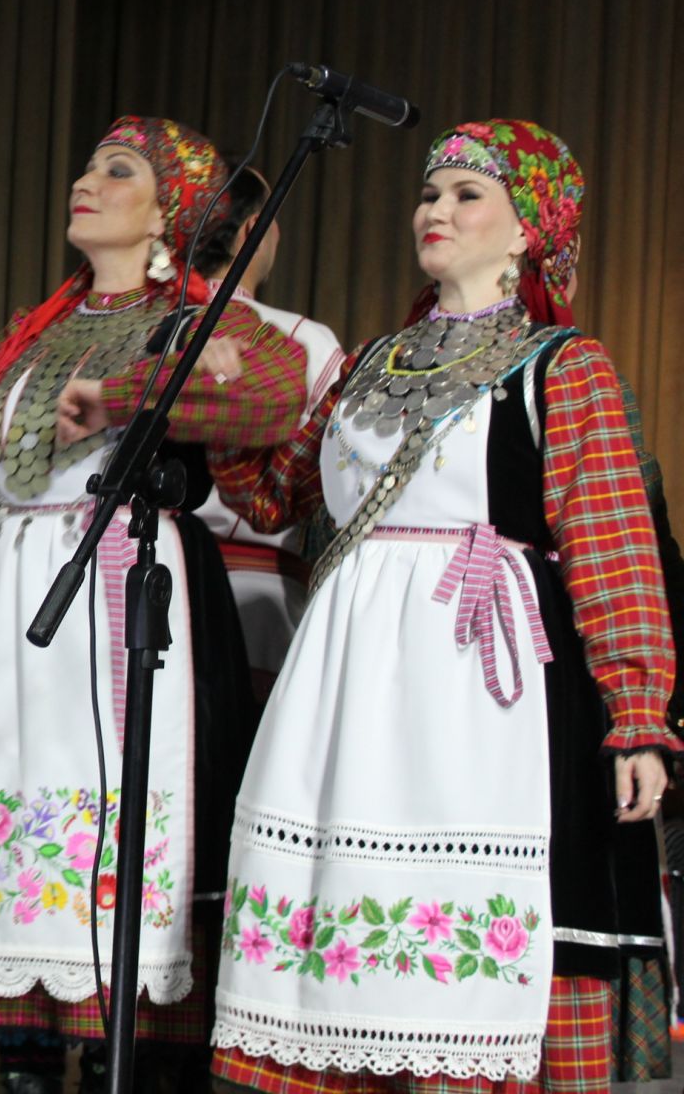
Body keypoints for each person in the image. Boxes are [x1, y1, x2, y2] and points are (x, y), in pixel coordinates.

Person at [206, 119, 678, 1092]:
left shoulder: (561, 366)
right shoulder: (374, 359)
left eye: (468, 194)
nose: (437, 208)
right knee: (342, 914)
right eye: (431, 192)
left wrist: (637, 714)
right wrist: (219, 392)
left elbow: (614, 548)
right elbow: (274, 496)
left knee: (458, 926)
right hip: (347, 675)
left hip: (479, 683)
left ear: (527, 232)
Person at [0, 117, 308, 1094]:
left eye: (118, 170)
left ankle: (122, 1049)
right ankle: (28, 1054)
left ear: (170, 209)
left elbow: (272, 392)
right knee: (8, 794)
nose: (86, 179)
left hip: (117, 570)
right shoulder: (40, 324)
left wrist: (128, 392)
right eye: (87, 163)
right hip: (10, 585)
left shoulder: (195, 313)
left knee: (105, 798)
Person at [188, 167, 343, 695]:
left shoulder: (144, 326)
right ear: (254, 228)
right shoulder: (302, 341)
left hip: (122, 589)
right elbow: (335, 490)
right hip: (257, 603)